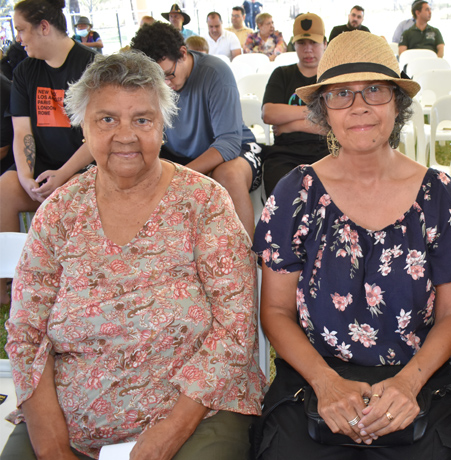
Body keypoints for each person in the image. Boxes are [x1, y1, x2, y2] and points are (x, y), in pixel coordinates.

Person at [0, 51, 265, 460]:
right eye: (107, 119)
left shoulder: (203, 201)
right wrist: (51, 445)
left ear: (162, 125)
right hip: (70, 415)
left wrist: (172, 431)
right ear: (83, 127)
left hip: (198, 409)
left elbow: (235, 325)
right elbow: (26, 332)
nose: (125, 136)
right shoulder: (59, 212)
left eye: (142, 120)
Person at [252, 30, 451, 459]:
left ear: (397, 103)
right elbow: (275, 311)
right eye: (341, 94)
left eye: (374, 90)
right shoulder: (296, 193)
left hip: (415, 378)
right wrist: (326, 383)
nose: (359, 107)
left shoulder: (438, 193)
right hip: (313, 377)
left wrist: (407, 384)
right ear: (323, 110)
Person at [0, 0, 96, 305]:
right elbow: (22, 132)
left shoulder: (91, 66)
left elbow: (99, 137)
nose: (18, 38)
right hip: (42, 171)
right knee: (5, 188)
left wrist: (64, 175)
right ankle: (10, 286)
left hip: (83, 171)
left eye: (21, 29)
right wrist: (26, 179)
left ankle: (74, 288)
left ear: (44, 27)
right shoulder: (25, 70)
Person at [131, 22, 263, 237]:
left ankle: (245, 251)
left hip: (234, 151)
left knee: (228, 175)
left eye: (168, 74)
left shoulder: (215, 72)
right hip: (179, 157)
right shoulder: (153, 81)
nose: (164, 85)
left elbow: (228, 143)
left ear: (183, 53)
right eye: (156, 79)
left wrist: (177, 177)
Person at [261, 12, 328, 195]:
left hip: (326, 151)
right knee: (281, 197)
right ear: (294, 44)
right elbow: (268, 114)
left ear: (325, 43)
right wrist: (315, 112)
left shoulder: (331, 79)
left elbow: (332, 125)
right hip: (284, 153)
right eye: (302, 43)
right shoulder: (282, 74)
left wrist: (289, 125)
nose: (308, 50)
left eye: (313, 43)